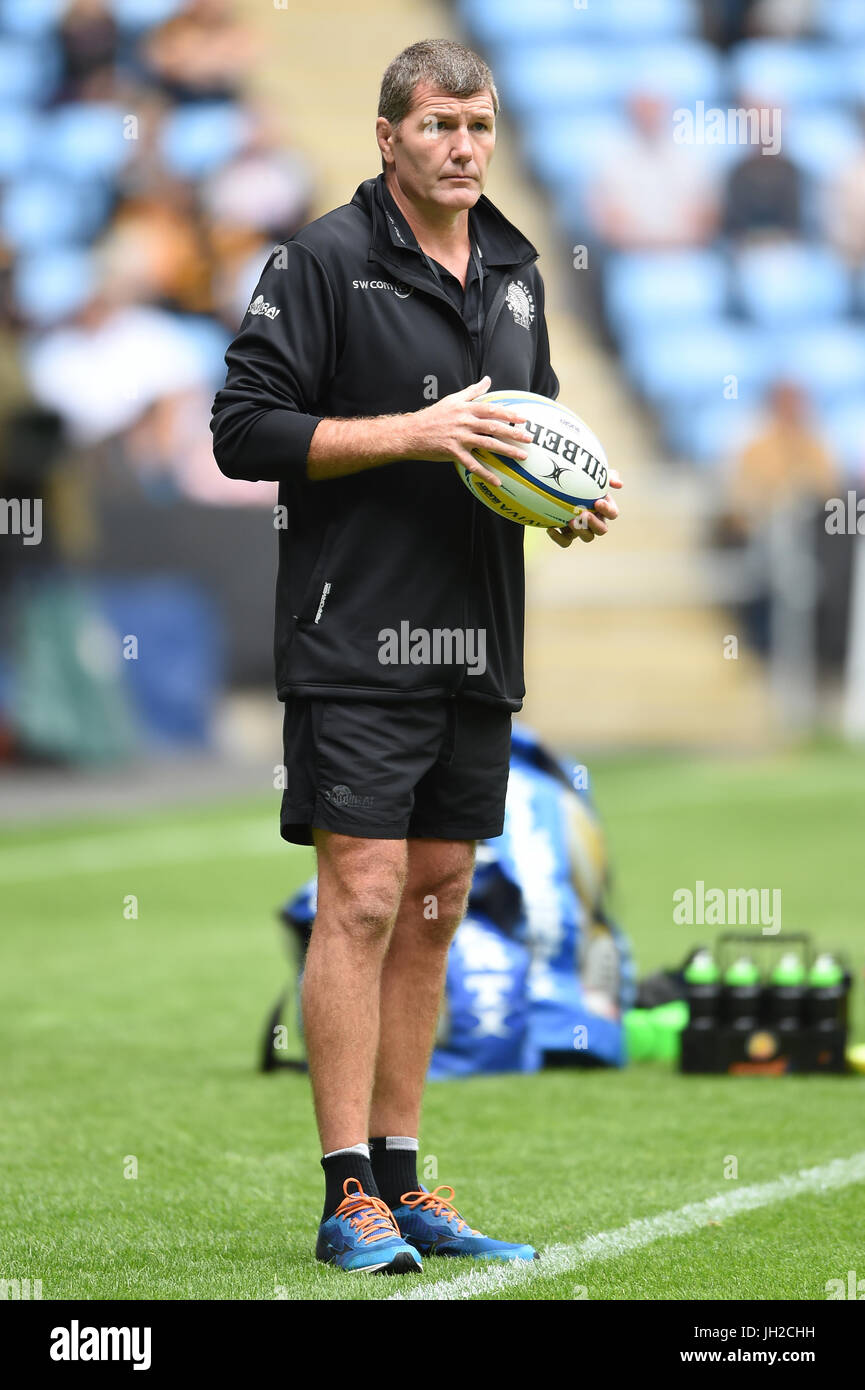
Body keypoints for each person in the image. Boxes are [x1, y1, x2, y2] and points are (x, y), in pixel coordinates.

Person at [211, 39, 620, 1276]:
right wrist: (412, 432)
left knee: (438, 902)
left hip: (478, 641)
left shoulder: (514, 265)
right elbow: (243, 430)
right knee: (367, 895)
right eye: (439, 124)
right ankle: (345, 1196)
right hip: (353, 636)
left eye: (479, 126)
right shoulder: (322, 262)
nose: (462, 146)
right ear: (387, 135)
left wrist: (567, 499)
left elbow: (528, 434)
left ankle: (403, 1174)